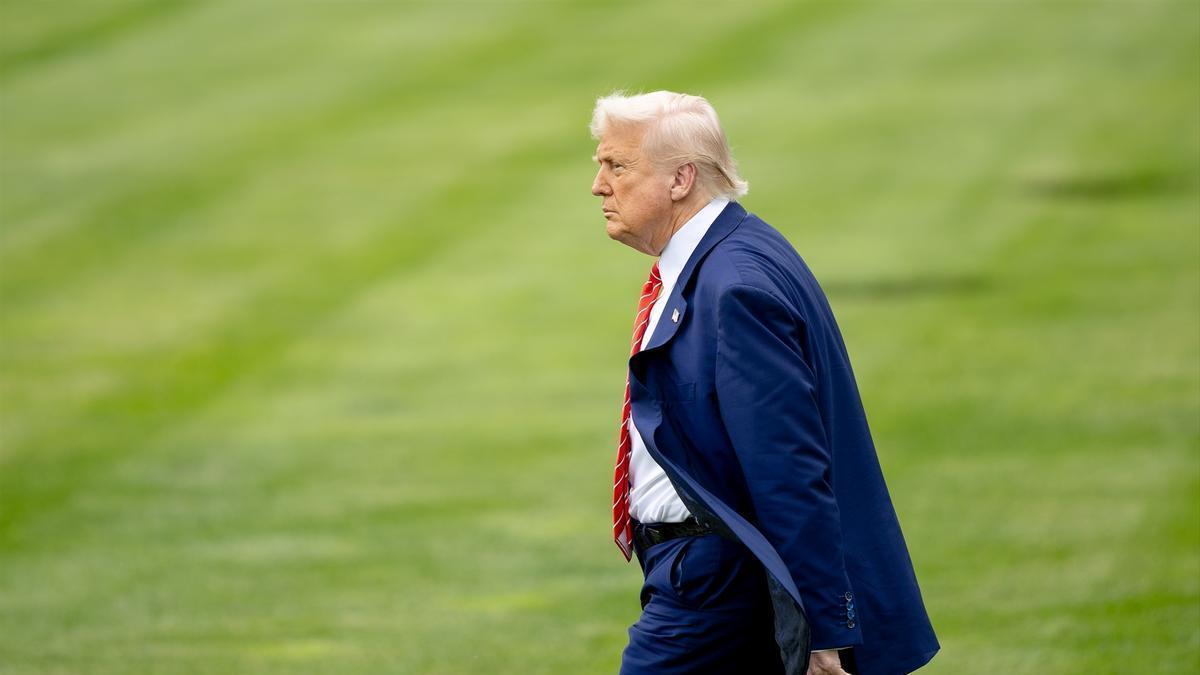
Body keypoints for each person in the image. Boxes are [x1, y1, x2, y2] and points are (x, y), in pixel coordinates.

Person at [590, 91, 940, 675]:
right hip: (714, 573)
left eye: (616, 166)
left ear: (681, 179)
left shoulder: (734, 286)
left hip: (714, 582)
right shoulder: (731, 256)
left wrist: (822, 628)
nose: (599, 186)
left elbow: (789, 465)